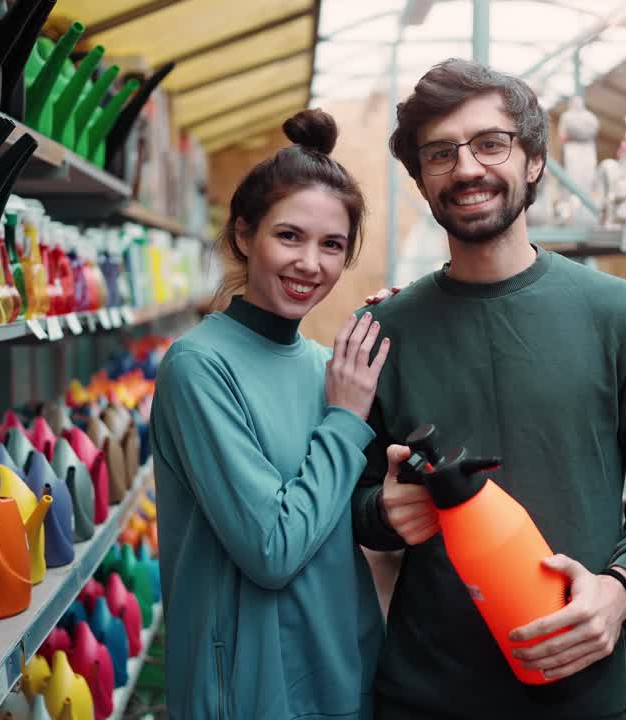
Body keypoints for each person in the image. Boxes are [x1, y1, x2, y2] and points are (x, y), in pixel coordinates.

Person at [352, 59, 626, 719]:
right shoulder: (382, 334)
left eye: (491, 143)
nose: (466, 168)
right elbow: (352, 502)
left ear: (535, 160)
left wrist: (619, 591)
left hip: (577, 692)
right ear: (420, 178)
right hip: (425, 696)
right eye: (440, 153)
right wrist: (382, 512)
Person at [150, 108, 390, 720]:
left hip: (341, 671)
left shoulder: (326, 368)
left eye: (332, 245)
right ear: (243, 235)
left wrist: (401, 336)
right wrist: (345, 419)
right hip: (249, 691)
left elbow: (346, 517)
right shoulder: (199, 367)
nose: (310, 263)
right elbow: (272, 549)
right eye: (289, 236)